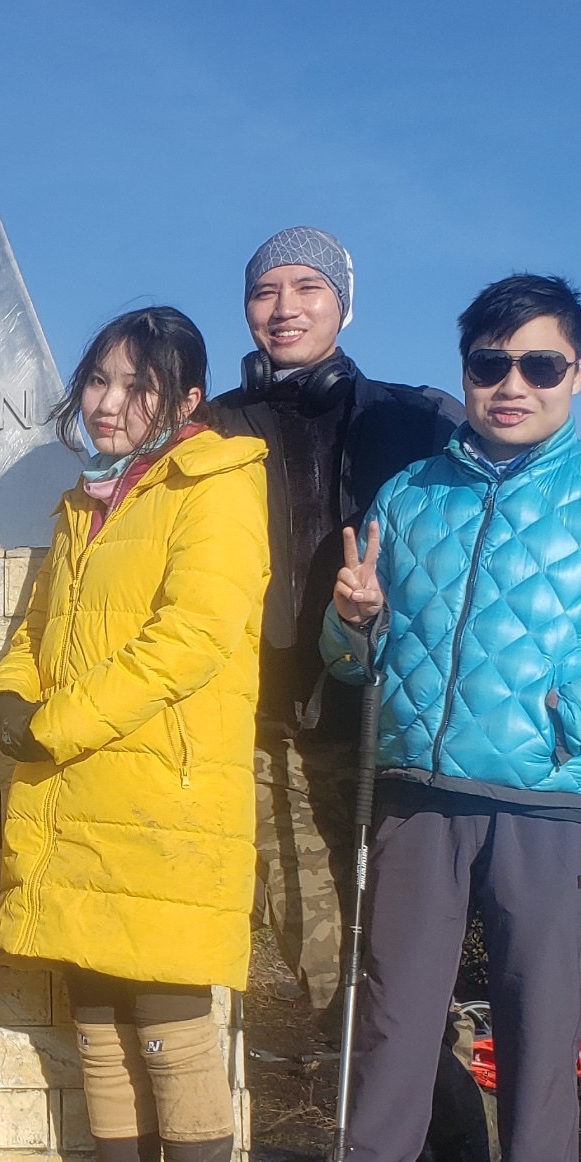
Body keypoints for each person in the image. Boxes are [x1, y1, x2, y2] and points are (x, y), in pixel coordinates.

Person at [244, 275, 581, 1162]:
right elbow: (354, 662)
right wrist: (352, 625)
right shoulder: (410, 497)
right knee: (392, 1020)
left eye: (539, 364)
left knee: (542, 1026)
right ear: (466, 371)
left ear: (577, 375)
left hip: (551, 805)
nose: (510, 384)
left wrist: (562, 713)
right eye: (489, 364)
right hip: (415, 797)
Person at [0, 307, 271, 1162]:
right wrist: (8, 700)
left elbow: (192, 636)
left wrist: (51, 725)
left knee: (171, 1028)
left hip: (161, 805)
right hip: (79, 803)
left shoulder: (219, 485)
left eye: (138, 386)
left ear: (187, 401)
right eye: (99, 379)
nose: (109, 402)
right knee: (99, 1027)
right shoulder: (85, 502)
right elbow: (38, 630)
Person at [209, 229, 456, 1038]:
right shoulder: (208, 433)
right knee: (329, 977)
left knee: (407, 969)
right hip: (263, 732)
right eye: (265, 290)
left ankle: (443, 1157)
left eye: (308, 287)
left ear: (344, 303)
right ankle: (375, 1157)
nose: (285, 308)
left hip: (394, 730)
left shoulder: (416, 419)